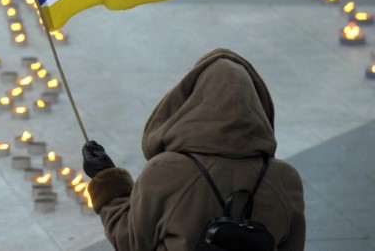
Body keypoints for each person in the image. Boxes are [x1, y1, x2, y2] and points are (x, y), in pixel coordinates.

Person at [82, 48, 305, 251]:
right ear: (258, 104)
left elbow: (130, 241)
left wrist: (106, 178)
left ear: (192, 101)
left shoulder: (166, 171)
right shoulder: (285, 179)